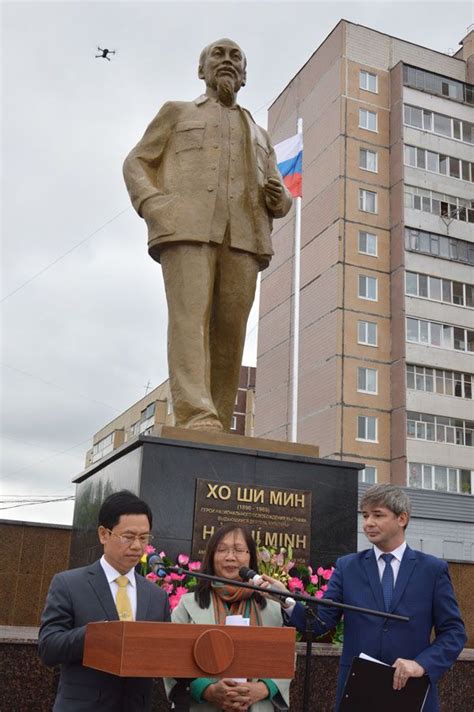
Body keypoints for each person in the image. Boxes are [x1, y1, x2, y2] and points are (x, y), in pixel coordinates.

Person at [123, 38, 292, 433]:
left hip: (245, 240)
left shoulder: (259, 133)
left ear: (245, 75)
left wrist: (278, 197)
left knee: (230, 334)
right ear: (202, 70)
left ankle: (214, 417)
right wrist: (153, 205)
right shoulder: (176, 112)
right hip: (187, 230)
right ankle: (195, 414)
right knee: (189, 321)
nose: (228, 61)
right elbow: (136, 162)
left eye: (236, 57)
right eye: (219, 54)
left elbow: (281, 197)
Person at [258, 484, 466, 712]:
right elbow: (320, 622)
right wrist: (286, 599)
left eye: (378, 515)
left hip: (413, 691)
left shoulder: (432, 570)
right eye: (365, 515)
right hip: (358, 693)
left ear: (402, 518)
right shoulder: (347, 567)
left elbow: (454, 633)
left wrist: (420, 665)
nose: (368, 523)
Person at [38, 490, 171, 711]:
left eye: (144, 538)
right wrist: (99, 635)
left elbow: (165, 654)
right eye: (128, 537)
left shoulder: (156, 595)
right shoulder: (69, 584)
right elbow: (48, 647)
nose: (137, 546)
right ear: (103, 534)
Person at [165, 523, 290, 711]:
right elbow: (170, 656)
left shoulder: (271, 608)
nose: (230, 557)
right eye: (222, 550)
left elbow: (286, 658)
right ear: (211, 556)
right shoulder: (188, 604)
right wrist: (207, 690)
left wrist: (263, 688)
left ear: (250, 557)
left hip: (257, 705)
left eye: (239, 550)